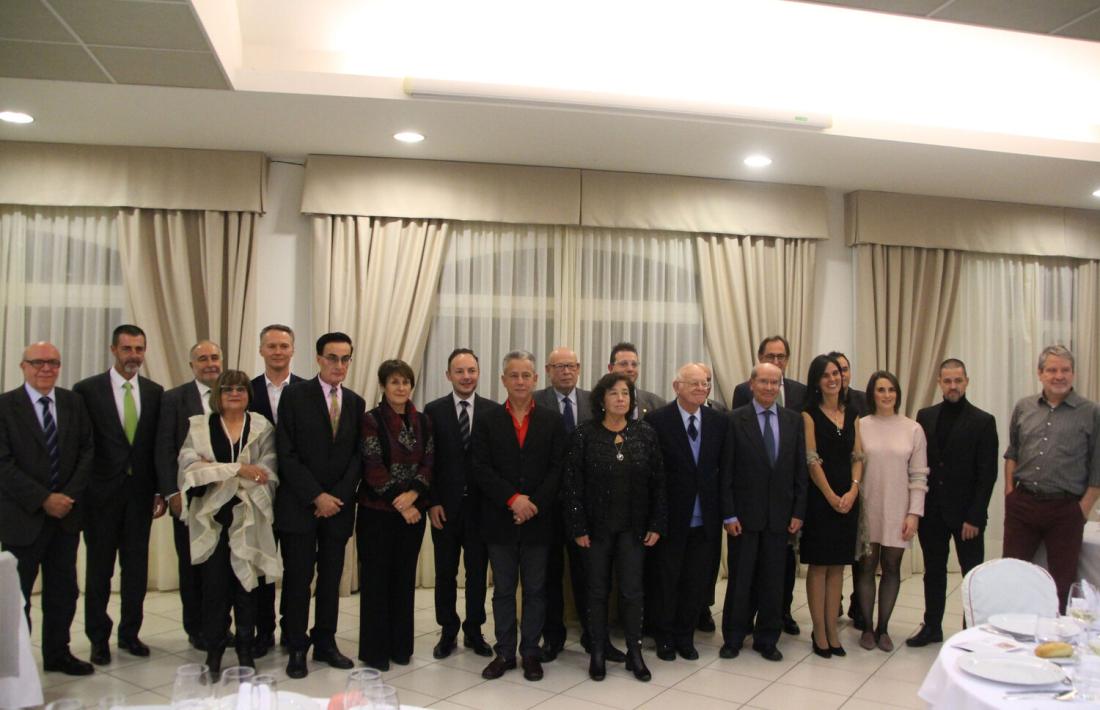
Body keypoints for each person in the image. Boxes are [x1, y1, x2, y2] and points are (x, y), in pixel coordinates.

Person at [0, 342, 94, 676]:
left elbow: (87, 451)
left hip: (65, 517)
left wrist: (66, 497)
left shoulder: (73, 402)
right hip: (22, 518)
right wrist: (43, 499)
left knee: (63, 592)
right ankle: (18, 664)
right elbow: (3, 464)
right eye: (38, 362)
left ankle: (58, 654)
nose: (46, 368)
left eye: (53, 362)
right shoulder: (5, 406)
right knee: (17, 596)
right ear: (23, 366)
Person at [564, 372, 665, 682]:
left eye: (625, 393)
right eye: (613, 393)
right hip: (595, 530)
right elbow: (572, 485)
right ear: (601, 399)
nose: (621, 398)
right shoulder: (584, 434)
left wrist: (657, 522)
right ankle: (597, 651)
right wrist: (578, 526)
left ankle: (635, 652)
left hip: (634, 529)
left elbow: (659, 483)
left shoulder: (645, 433)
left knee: (633, 591)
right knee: (597, 591)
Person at [177, 370, 280, 674]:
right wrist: (239, 469)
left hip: (248, 516)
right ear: (218, 395)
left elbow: (266, 472)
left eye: (240, 389)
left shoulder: (261, 427)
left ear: (248, 394)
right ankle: (215, 650)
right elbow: (190, 468)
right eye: (228, 389)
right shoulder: (200, 427)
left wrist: (217, 470)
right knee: (215, 588)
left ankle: (246, 649)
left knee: (247, 587)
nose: (234, 394)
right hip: (213, 518)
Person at [74, 325, 165, 666]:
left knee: (136, 570)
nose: (133, 356)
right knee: (99, 571)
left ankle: (130, 634)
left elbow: (156, 447)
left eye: (139, 349)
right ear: (113, 349)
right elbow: (81, 444)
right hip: (99, 496)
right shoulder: (87, 390)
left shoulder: (155, 392)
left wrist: (159, 490)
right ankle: (98, 639)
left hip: (140, 497)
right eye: (127, 349)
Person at [473, 351, 565, 683]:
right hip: (500, 520)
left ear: (536, 379)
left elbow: (558, 468)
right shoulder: (487, 420)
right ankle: (504, 652)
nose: (521, 381)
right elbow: (480, 468)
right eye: (514, 375)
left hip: (539, 521)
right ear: (503, 380)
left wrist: (532, 504)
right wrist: (513, 500)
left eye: (526, 375)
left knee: (536, 590)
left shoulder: (552, 421)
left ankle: (530, 652)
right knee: (503, 590)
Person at [275, 332, 363, 678]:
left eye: (345, 358)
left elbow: (357, 456)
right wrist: (316, 495)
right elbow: (286, 452)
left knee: (330, 579)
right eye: (332, 357)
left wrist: (336, 496)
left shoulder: (355, 402)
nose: (338, 365)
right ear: (318, 358)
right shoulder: (295, 395)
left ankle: (325, 641)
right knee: (299, 579)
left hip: (338, 508)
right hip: (300, 506)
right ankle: (297, 646)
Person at [719, 362, 807, 662]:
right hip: (743, 518)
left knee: (773, 582)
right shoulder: (734, 420)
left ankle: (767, 639)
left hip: (780, 517)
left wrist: (798, 511)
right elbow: (726, 472)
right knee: (741, 581)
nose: (769, 388)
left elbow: (799, 470)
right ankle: (733, 637)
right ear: (752, 384)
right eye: (764, 382)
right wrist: (729, 514)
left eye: (774, 383)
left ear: (780, 386)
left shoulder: (793, 421)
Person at [535, 347, 617, 662]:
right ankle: (553, 638)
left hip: (586, 506)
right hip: (548, 505)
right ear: (548, 370)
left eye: (571, 365)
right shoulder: (535, 401)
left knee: (589, 575)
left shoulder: (593, 401)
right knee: (550, 574)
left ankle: (594, 637)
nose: (566, 371)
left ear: (579, 368)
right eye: (559, 366)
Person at [1003, 345, 1100, 612]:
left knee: (1062, 583)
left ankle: (1057, 633)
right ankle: (1011, 628)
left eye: (1065, 370)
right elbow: (1013, 453)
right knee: (1012, 574)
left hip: (1066, 510)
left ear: (1073, 373)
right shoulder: (1024, 407)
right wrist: (1010, 493)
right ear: (1040, 373)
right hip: (1023, 505)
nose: (1059, 376)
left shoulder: (1090, 412)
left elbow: (1097, 466)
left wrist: (1082, 510)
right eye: (1052, 370)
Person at [908, 358, 997, 647]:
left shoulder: (983, 421)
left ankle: (971, 632)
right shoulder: (925, 416)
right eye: (947, 381)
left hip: (967, 516)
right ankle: (932, 626)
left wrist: (975, 516)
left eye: (958, 380)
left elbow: (987, 474)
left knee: (972, 577)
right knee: (933, 572)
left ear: (966, 381)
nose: (953, 386)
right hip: (933, 512)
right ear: (939, 383)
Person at [645, 363, 728, 662]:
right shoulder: (657, 420)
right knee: (666, 581)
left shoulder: (719, 421)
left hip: (706, 518)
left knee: (696, 582)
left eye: (705, 383)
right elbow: (652, 475)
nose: (701, 388)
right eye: (694, 383)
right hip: (671, 518)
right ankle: (664, 636)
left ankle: (685, 635)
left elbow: (724, 470)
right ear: (676, 386)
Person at [358, 359, 433, 670]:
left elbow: (429, 461)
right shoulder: (371, 420)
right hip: (378, 512)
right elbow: (372, 465)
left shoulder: (423, 421)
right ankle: (375, 652)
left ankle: (401, 648)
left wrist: (413, 496)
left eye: (405, 382)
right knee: (376, 582)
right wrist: (402, 503)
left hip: (413, 514)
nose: (401, 388)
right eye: (394, 382)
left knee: (403, 580)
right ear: (383, 386)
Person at [425, 349, 496, 659]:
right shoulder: (433, 411)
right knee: (445, 572)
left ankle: (474, 630)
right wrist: (432, 501)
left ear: (478, 373)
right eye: (460, 371)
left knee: (477, 574)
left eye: (471, 370)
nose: (466, 377)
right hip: (445, 509)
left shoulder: (493, 411)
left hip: (481, 510)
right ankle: (448, 630)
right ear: (448, 375)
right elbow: (427, 461)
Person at [155, 340, 224, 650]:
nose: (210, 363)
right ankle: (196, 629)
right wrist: (171, 492)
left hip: (226, 497)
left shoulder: (233, 394)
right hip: (187, 497)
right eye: (202, 359)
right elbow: (164, 448)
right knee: (192, 564)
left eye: (214, 357)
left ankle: (219, 626)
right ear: (191, 365)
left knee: (220, 568)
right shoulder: (174, 399)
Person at [856, 370, 928, 652]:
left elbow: (919, 475)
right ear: (872, 394)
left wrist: (914, 514)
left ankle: (883, 627)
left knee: (892, 567)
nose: (887, 395)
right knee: (866, 567)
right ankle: (867, 627)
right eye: (881, 389)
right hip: (867, 508)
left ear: (897, 394)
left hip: (899, 509)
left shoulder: (913, 429)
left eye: (891, 390)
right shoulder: (861, 426)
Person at [799, 355, 861, 659]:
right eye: (825, 375)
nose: (832, 379)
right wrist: (831, 495)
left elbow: (858, 457)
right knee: (819, 565)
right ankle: (820, 632)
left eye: (835, 373)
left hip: (848, 499)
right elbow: (812, 460)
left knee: (838, 566)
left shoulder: (853, 414)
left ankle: (833, 631)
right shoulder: (808, 415)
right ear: (816, 382)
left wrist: (852, 491)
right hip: (820, 500)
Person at [248, 324, 305, 656]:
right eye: (271, 346)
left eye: (284, 346)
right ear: (261, 350)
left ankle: (291, 629)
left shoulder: (308, 390)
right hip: (258, 493)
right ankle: (263, 630)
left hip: (297, 496)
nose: (278, 352)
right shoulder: (247, 390)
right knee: (262, 567)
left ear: (293, 350)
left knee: (296, 569)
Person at [827, 349, 866, 627]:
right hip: (828, 488)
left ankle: (859, 606)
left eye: (844, 369)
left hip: (860, 482)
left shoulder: (863, 401)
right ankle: (833, 604)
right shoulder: (817, 404)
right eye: (834, 371)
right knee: (833, 553)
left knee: (860, 554)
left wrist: (855, 485)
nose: (840, 375)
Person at [608, 342, 666, 418]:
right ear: (610, 368)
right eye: (623, 364)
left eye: (634, 364)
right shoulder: (597, 403)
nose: (630, 369)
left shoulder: (657, 404)